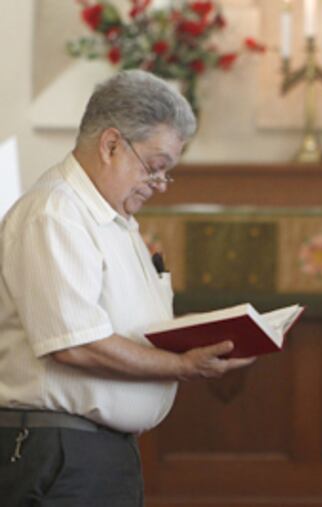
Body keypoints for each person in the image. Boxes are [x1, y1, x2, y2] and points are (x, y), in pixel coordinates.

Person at [0, 70, 255, 506]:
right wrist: (181, 365)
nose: (158, 185)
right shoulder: (56, 213)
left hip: (97, 450)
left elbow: (126, 325)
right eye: (155, 168)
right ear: (111, 144)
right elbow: (75, 344)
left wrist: (198, 336)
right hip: (60, 453)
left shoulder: (110, 218)